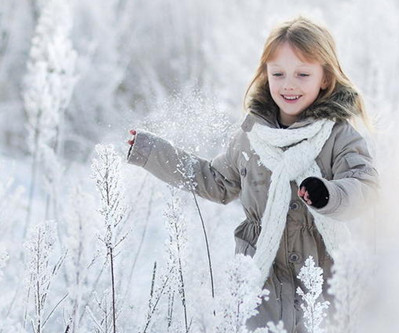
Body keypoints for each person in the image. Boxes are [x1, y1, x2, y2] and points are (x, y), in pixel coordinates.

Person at [126, 16, 378, 332]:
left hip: (320, 273)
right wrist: (153, 153)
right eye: (279, 74)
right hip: (262, 276)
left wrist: (328, 194)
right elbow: (216, 182)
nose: (289, 84)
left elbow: (365, 186)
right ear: (266, 75)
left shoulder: (339, 136)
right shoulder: (251, 135)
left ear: (325, 78)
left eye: (303, 74)